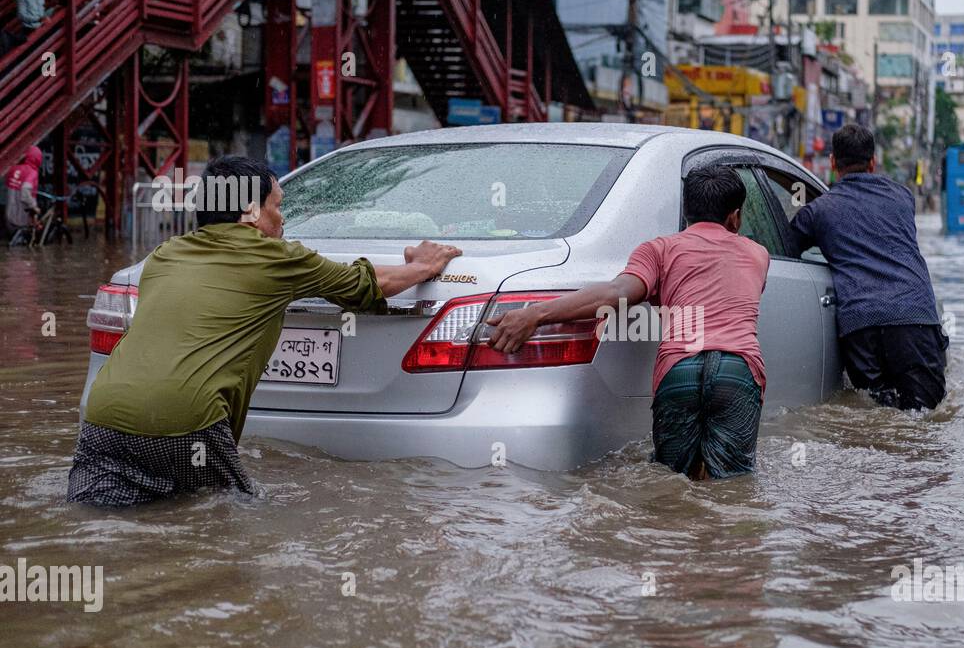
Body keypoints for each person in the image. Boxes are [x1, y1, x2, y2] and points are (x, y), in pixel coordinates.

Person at [67, 155, 462, 506]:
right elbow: (364, 286)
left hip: (103, 418)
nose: (283, 218)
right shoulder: (277, 257)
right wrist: (422, 268)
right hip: (186, 422)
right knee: (227, 521)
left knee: (102, 520)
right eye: (278, 206)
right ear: (251, 213)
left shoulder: (163, 255)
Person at [486, 164, 769, 480]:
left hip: (680, 369)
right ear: (736, 216)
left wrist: (534, 314)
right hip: (739, 370)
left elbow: (615, 293)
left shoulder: (659, 249)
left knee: (670, 483)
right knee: (734, 485)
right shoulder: (758, 254)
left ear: (686, 212)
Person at [790, 123, 948, 411]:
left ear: (833, 162)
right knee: (926, 417)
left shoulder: (819, 211)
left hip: (861, 325)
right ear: (873, 162)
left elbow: (787, 247)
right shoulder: (903, 197)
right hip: (915, 316)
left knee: (877, 413)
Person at [4, 145, 42, 242]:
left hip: (9, 216)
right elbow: (25, 193)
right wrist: (34, 207)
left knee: (13, 248)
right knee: (23, 251)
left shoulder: (13, 169)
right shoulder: (32, 172)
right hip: (22, 219)